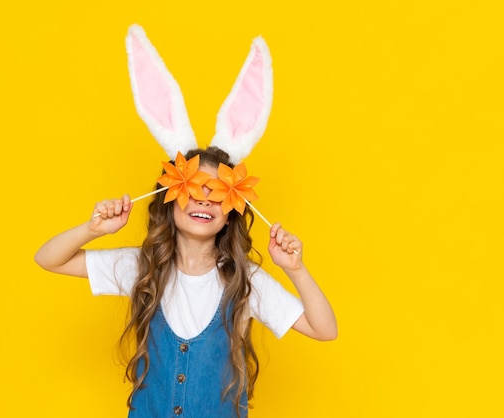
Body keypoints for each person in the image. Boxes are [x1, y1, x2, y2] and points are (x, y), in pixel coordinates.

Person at [34, 146, 337, 418]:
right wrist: (94, 229)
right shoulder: (142, 266)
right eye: (192, 189)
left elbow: (325, 329)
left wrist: (295, 269)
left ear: (231, 213)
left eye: (217, 194)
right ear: (169, 199)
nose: (205, 202)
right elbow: (48, 258)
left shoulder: (246, 280)